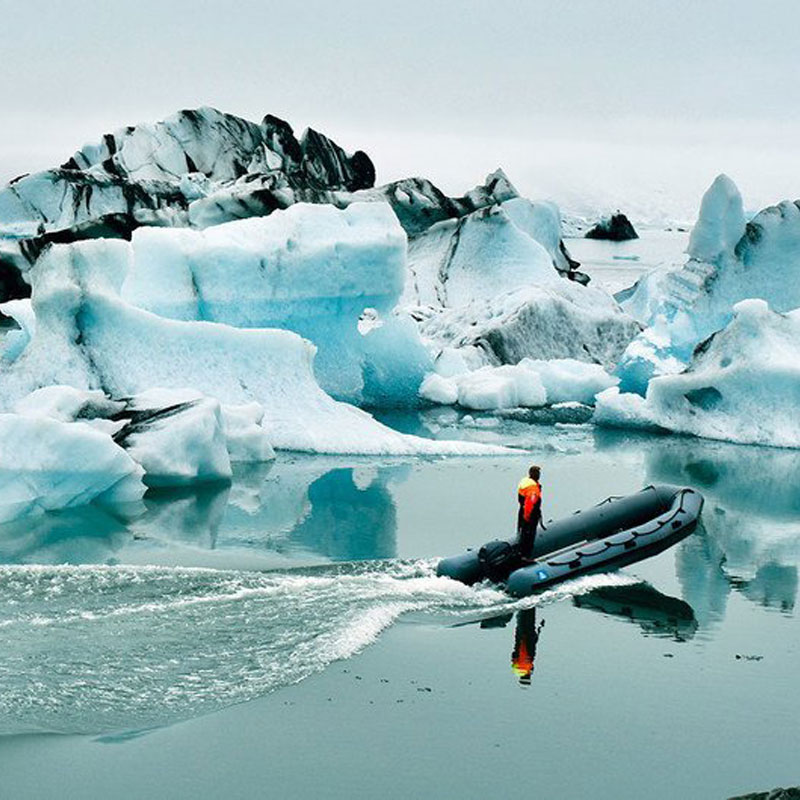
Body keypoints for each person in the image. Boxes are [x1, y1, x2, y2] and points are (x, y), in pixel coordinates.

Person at [511, 608, 545, 685]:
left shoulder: (529, 667)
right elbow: (514, 655)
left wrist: (539, 630)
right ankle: (522, 607)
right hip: (519, 640)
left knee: (530, 619)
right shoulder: (515, 669)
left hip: (528, 639)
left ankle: (530, 605)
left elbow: (532, 651)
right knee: (521, 621)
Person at [517, 465, 542, 558]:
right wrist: (527, 517)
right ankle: (525, 556)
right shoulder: (532, 488)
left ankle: (521, 554)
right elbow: (530, 503)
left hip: (522, 510)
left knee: (522, 533)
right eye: (538, 473)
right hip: (529, 514)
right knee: (528, 536)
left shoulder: (525, 482)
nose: (539, 475)